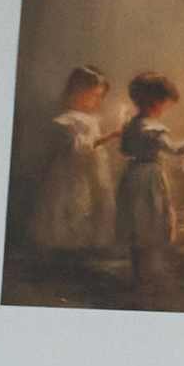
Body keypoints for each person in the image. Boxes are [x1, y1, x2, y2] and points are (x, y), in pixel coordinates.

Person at [114, 72, 184, 301]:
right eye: (166, 106)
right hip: (149, 177)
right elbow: (175, 149)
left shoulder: (130, 126)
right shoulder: (154, 129)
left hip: (132, 176)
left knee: (137, 226)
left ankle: (138, 277)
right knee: (148, 225)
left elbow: (124, 150)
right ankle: (145, 283)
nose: (165, 110)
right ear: (155, 103)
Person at [32, 64, 116, 265]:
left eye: (101, 96)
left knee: (93, 208)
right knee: (74, 208)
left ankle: (82, 255)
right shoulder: (68, 121)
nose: (98, 101)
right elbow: (80, 149)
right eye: (94, 95)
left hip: (91, 173)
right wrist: (108, 136)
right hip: (73, 176)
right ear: (78, 92)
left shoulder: (91, 120)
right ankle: (65, 258)